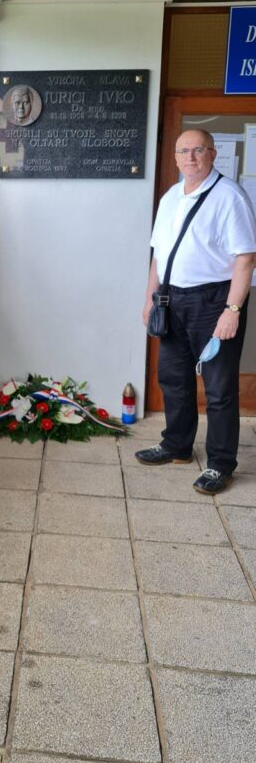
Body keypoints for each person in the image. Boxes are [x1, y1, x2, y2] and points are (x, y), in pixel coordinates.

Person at [137, 127, 256, 494]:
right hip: (172, 301)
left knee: (219, 388)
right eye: (183, 151)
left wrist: (232, 310)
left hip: (214, 302)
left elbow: (246, 258)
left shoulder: (229, 197)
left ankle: (220, 464)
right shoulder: (170, 197)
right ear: (175, 158)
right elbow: (159, 254)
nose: (190, 157)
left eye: (198, 150)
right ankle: (177, 445)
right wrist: (150, 297)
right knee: (173, 378)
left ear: (212, 154)